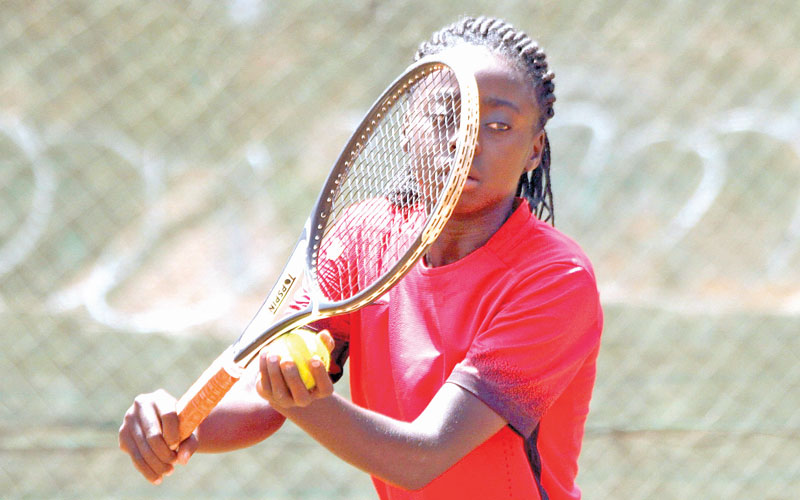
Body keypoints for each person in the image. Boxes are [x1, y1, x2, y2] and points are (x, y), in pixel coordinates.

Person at [118, 16, 602, 500]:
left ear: (535, 150)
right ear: (408, 125)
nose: (466, 139)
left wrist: (303, 401)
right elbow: (264, 393)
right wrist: (185, 424)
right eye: (445, 115)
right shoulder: (363, 238)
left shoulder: (554, 278)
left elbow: (423, 457)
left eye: (498, 124)